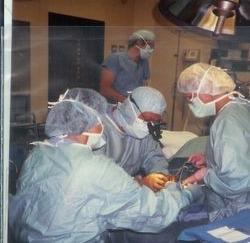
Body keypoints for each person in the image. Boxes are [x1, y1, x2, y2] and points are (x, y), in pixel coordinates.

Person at [9, 100, 203, 243]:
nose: (103, 125)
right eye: (99, 120)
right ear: (85, 126)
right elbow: (151, 214)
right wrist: (183, 194)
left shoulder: (38, 154)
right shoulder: (96, 168)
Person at [177, 62, 250, 221]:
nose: (190, 105)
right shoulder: (239, 107)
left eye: (191, 98)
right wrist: (209, 158)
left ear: (206, 90)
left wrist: (205, 174)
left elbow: (236, 180)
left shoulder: (227, 121)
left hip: (238, 207)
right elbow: (241, 151)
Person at [62, 86, 172, 192]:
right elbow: (97, 176)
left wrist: (161, 176)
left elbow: (155, 157)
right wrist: (138, 183)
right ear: (131, 109)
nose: (149, 125)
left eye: (154, 122)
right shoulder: (98, 129)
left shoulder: (144, 133)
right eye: (147, 120)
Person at [100, 29, 155, 103]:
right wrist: (126, 102)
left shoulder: (144, 62)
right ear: (139, 42)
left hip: (134, 106)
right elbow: (104, 89)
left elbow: (144, 85)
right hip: (115, 107)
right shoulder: (116, 59)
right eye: (150, 45)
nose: (151, 49)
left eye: (152, 46)